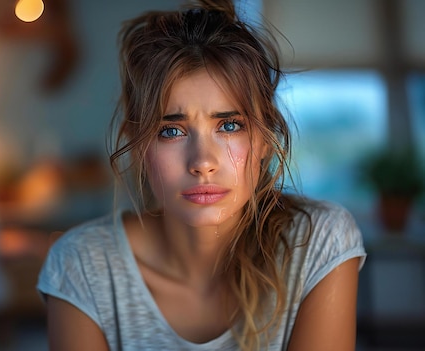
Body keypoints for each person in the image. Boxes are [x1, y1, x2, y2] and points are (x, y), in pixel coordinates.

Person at [37, 0, 367, 350]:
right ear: (137, 145)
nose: (202, 162)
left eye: (229, 125)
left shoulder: (318, 242)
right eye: (171, 131)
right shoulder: (82, 266)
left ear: (265, 141)